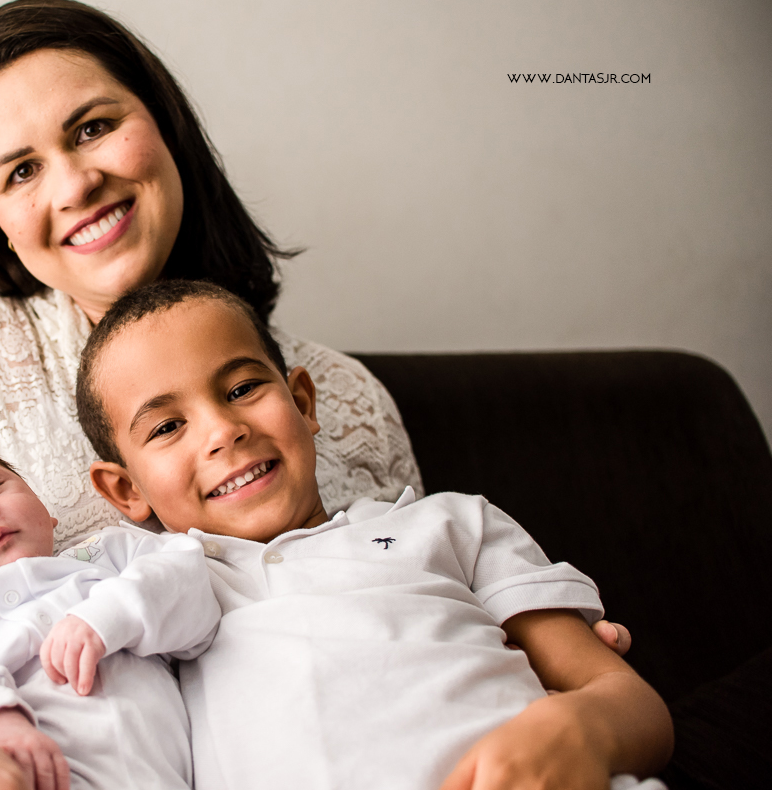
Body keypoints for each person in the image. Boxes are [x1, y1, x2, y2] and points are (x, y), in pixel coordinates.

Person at [0, 0, 630, 789]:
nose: (74, 182)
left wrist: (577, 685)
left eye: (94, 127)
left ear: (164, 127)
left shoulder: (344, 394)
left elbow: (414, 600)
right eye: (23, 170)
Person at [76, 280, 674, 790]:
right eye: (168, 426)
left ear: (303, 401)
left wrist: (581, 729)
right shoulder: (149, 594)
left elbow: (626, 699)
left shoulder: (450, 524)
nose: (222, 431)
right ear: (126, 491)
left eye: (241, 390)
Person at [0, 440, 220, 790]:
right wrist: (2, 725)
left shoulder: (107, 551)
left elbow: (184, 577)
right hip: (60, 773)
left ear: (44, 507)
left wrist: (108, 615)